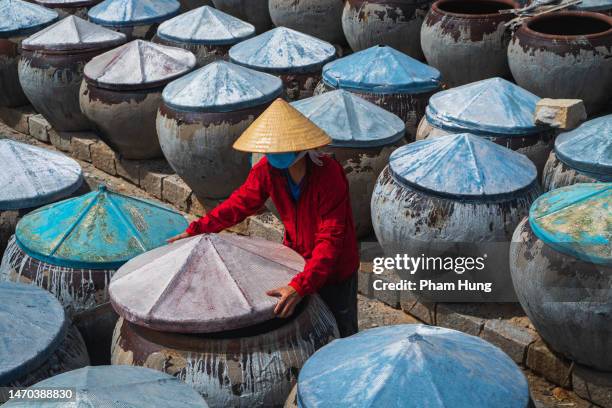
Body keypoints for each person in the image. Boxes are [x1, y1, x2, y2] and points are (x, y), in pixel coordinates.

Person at [167, 99, 359, 337]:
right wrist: (198, 228)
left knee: (341, 329)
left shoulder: (328, 175)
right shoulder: (267, 171)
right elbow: (239, 204)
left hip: (334, 269)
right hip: (296, 259)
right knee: (306, 329)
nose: (273, 154)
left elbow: (330, 238)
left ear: (300, 147)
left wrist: (302, 285)